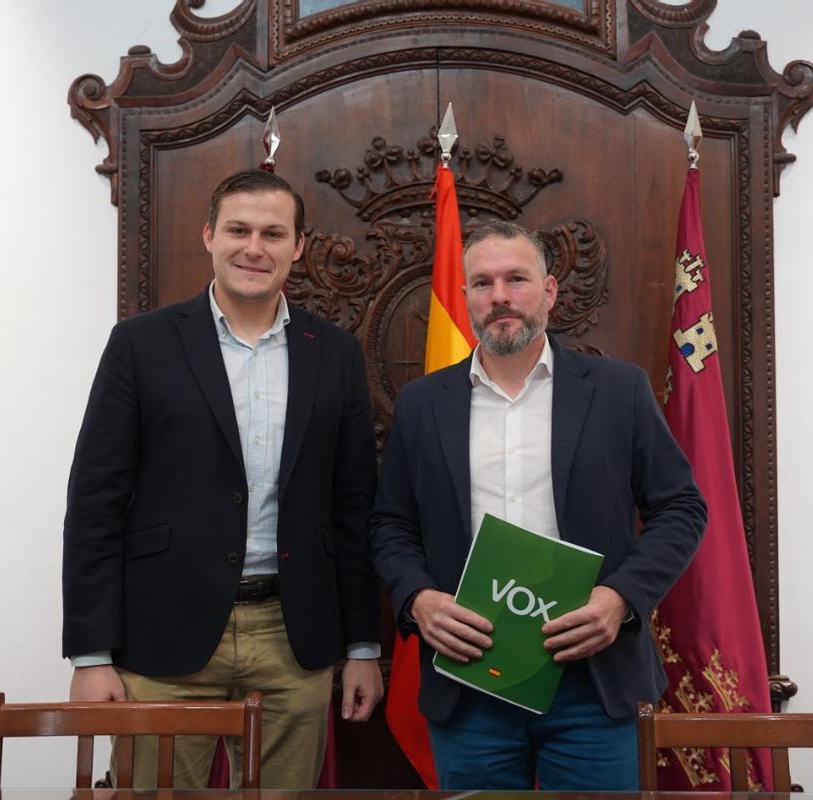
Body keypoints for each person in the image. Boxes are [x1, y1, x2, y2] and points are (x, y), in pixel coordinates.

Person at [62, 169, 384, 789]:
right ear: (210, 235)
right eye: (238, 229)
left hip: (295, 635)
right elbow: (95, 501)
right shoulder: (140, 344)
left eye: (272, 233)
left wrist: (364, 646)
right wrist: (92, 653)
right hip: (163, 632)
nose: (253, 248)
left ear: (298, 247)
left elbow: (353, 506)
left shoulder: (335, 352)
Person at [370, 220, 707, 790]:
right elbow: (390, 526)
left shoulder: (619, 390)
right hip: (470, 681)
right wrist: (417, 599)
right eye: (482, 283)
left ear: (549, 291)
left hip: (593, 685)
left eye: (516, 279)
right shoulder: (423, 404)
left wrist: (621, 598)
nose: (499, 296)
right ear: (466, 298)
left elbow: (681, 508)